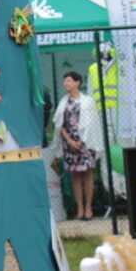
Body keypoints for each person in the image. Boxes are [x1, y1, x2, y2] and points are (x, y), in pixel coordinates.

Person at [52, 71, 97, 220]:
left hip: (85, 142)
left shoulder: (87, 101)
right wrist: (69, 141)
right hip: (69, 143)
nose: (66, 84)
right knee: (76, 176)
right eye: (65, 81)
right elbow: (59, 124)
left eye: (69, 81)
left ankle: (89, 207)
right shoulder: (63, 102)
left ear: (78, 82)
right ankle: (80, 208)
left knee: (88, 174)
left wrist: (81, 141)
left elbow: (92, 123)